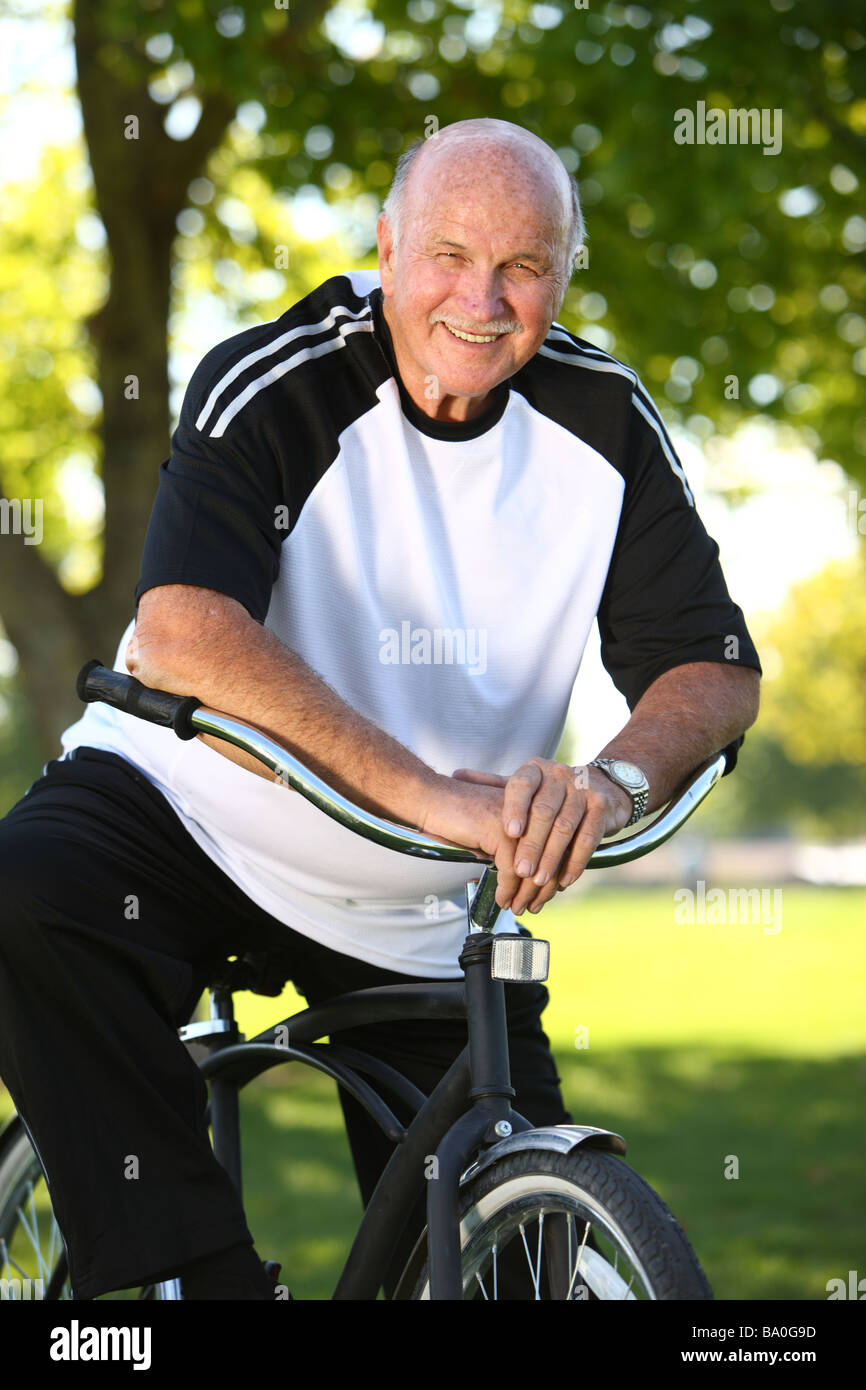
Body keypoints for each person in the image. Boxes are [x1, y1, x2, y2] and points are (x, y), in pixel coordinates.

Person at [0, 118, 761, 1300]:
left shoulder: (605, 421)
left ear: (564, 273)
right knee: (27, 890)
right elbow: (185, 629)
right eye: (448, 254)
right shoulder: (280, 375)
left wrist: (606, 783)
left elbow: (710, 667)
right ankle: (200, 1281)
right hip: (189, 809)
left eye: (523, 265)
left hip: (407, 892)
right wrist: (429, 793)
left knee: (518, 1239)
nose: (483, 297)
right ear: (387, 246)